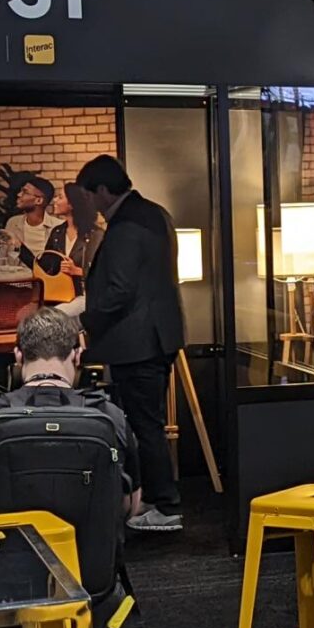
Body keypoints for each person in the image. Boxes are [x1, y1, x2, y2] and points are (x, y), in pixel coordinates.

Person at [73, 153, 185, 534]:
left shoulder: (125, 227)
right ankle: (157, 499)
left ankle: (166, 507)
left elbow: (118, 291)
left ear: (103, 190)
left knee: (145, 425)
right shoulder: (155, 213)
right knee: (148, 422)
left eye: (88, 195)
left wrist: (77, 316)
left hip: (138, 343)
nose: (87, 203)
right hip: (157, 336)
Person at [0, 305, 137, 514]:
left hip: (12, 546)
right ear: (77, 355)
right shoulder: (111, 416)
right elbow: (129, 505)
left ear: (18, 356)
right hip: (87, 547)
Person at [3, 175, 60, 262]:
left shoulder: (58, 227)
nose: (19, 195)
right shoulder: (13, 223)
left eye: (25, 192)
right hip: (16, 275)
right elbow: (2, 258)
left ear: (39, 200)